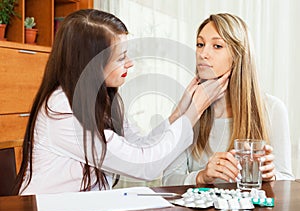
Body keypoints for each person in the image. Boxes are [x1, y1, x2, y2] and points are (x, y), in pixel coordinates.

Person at [13, 9, 229, 195]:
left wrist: (179, 112)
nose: (130, 63)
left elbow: (139, 145)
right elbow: (144, 164)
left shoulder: (104, 98)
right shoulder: (63, 110)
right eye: (120, 57)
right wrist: (193, 112)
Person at [163, 13, 294, 186]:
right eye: (200, 44)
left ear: (238, 57)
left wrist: (272, 176)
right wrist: (201, 176)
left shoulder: (273, 109)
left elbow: (287, 178)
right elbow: (168, 180)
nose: (203, 53)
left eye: (217, 46)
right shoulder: (186, 109)